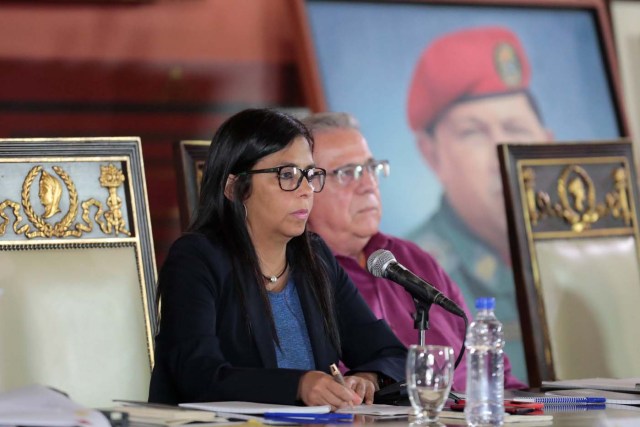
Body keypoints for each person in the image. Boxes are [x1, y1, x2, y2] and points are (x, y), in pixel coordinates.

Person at [148, 108, 407, 408]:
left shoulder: (315, 258)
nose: (306, 191)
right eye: (287, 175)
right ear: (235, 188)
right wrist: (299, 385)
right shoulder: (196, 260)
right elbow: (197, 376)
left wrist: (368, 377)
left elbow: (390, 354)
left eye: (310, 175)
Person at [303, 111, 526, 391]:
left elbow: (496, 376)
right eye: (347, 173)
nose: (368, 185)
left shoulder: (413, 259)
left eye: (371, 168)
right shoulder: (297, 275)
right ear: (305, 188)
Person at [405, 26, 554, 381]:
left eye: (515, 128)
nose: (501, 155)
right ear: (432, 156)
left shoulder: (592, 258)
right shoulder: (416, 272)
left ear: (547, 144)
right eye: (473, 133)